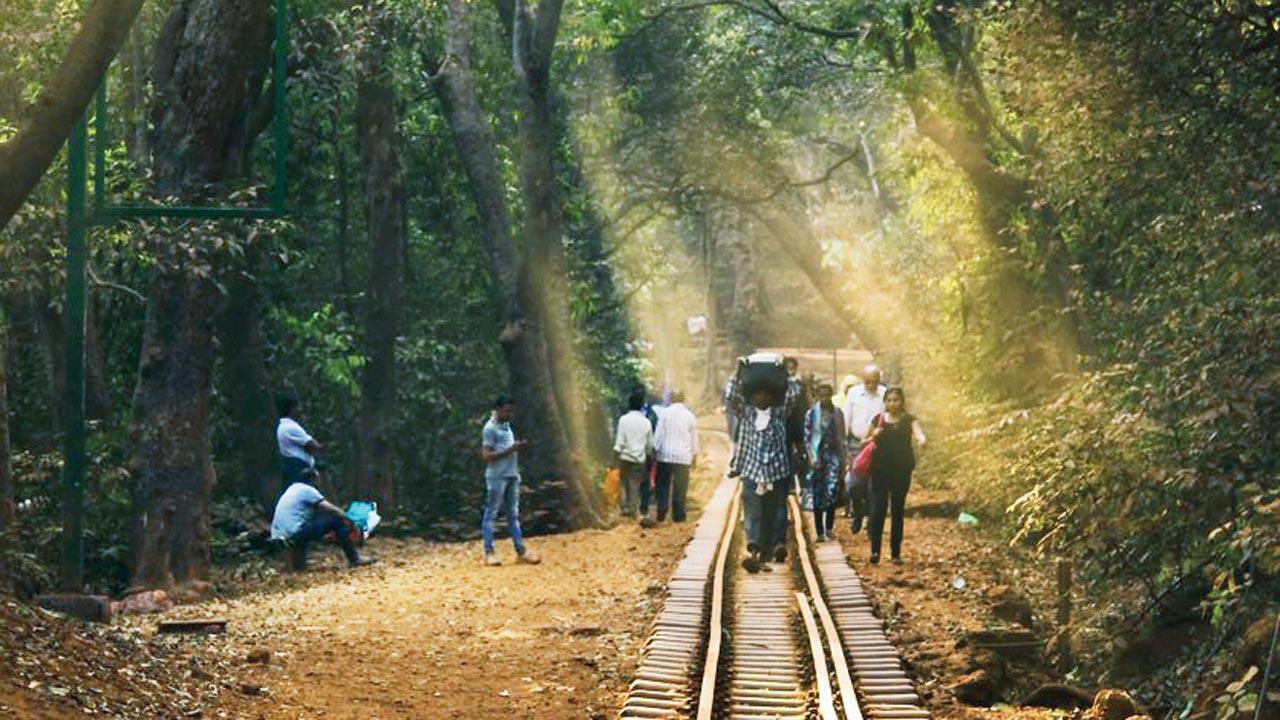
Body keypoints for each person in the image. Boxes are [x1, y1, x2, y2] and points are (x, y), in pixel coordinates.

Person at [731, 387, 791, 574]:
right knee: (752, 510)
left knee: (776, 511)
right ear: (752, 395)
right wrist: (739, 374)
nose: (761, 395)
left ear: (772, 397)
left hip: (776, 471)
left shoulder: (779, 414)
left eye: (765, 392)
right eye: (758, 392)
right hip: (751, 471)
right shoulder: (747, 416)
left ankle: (775, 547)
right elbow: (731, 397)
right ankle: (754, 549)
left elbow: (793, 394)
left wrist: (783, 373)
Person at [865, 387, 926, 564]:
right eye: (889, 400)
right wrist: (873, 435)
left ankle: (895, 552)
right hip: (879, 470)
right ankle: (875, 551)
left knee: (898, 510)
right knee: (878, 510)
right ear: (885, 402)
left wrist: (922, 441)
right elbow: (865, 440)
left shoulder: (909, 420)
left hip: (901, 470)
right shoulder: (878, 420)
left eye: (896, 400)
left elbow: (919, 434)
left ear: (902, 401)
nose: (892, 403)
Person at [271, 471, 374, 571]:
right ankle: (354, 559)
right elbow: (330, 509)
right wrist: (349, 519)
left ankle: (298, 564)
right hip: (295, 533)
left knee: (305, 528)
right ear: (313, 480)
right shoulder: (307, 490)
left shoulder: (292, 489)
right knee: (338, 522)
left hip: (280, 533)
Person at [481, 395, 541, 566]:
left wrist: (516, 449)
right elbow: (486, 455)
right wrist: (510, 450)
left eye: (511, 411)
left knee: (513, 515)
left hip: (512, 475)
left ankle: (520, 551)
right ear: (498, 409)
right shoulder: (489, 428)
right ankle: (489, 552)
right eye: (506, 411)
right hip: (497, 476)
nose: (509, 414)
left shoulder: (506, 426)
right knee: (491, 514)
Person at [843, 364, 887, 531]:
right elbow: (847, 416)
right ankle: (858, 512)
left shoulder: (884, 394)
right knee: (854, 484)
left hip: (877, 445)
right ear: (863, 381)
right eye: (868, 382)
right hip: (856, 443)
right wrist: (844, 443)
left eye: (874, 382)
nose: (871, 385)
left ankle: (870, 518)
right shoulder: (854, 393)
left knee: (873, 484)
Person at [805, 382, 846, 542]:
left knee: (832, 491)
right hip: (817, 457)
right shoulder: (811, 414)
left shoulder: (837, 414)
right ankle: (819, 531)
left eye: (827, 395)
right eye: (821, 396)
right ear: (817, 396)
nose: (824, 399)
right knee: (817, 494)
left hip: (833, 457)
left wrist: (843, 459)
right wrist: (810, 457)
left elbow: (841, 437)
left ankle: (829, 527)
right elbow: (807, 438)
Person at [652, 390, 699, 523]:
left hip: (665, 456)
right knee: (680, 487)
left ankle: (662, 508)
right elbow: (694, 438)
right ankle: (678, 516)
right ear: (683, 399)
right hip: (683, 458)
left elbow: (659, 434)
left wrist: (655, 450)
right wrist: (694, 455)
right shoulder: (690, 416)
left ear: (671, 399)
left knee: (662, 484)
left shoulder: (665, 414)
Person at [614, 390, 653, 518]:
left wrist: (614, 458)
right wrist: (649, 459)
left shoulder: (623, 420)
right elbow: (649, 446)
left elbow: (619, 442)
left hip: (624, 457)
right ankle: (633, 511)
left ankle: (624, 507)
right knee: (635, 485)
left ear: (629, 404)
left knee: (623, 483)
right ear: (641, 406)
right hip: (639, 459)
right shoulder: (646, 422)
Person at [276, 394, 321, 494]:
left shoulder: (281, 426)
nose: (300, 410)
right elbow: (314, 445)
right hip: (298, 469)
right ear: (292, 408)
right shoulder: (290, 427)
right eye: (298, 407)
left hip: (291, 467)